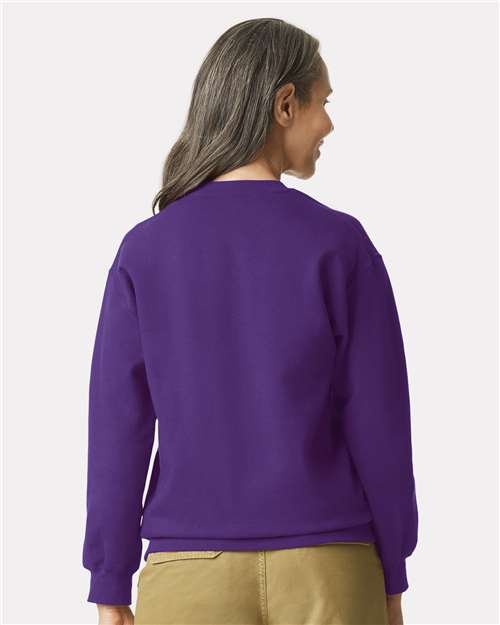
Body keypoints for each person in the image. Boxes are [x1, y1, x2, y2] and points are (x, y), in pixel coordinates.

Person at [82, 17, 418, 625]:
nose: (328, 124)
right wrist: (392, 572)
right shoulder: (339, 244)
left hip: (188, 571)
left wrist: (110, 582)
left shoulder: (145, 250)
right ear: (285, 104)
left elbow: (118, 427)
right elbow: (380, 421)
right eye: (323, 103)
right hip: (330, 565)